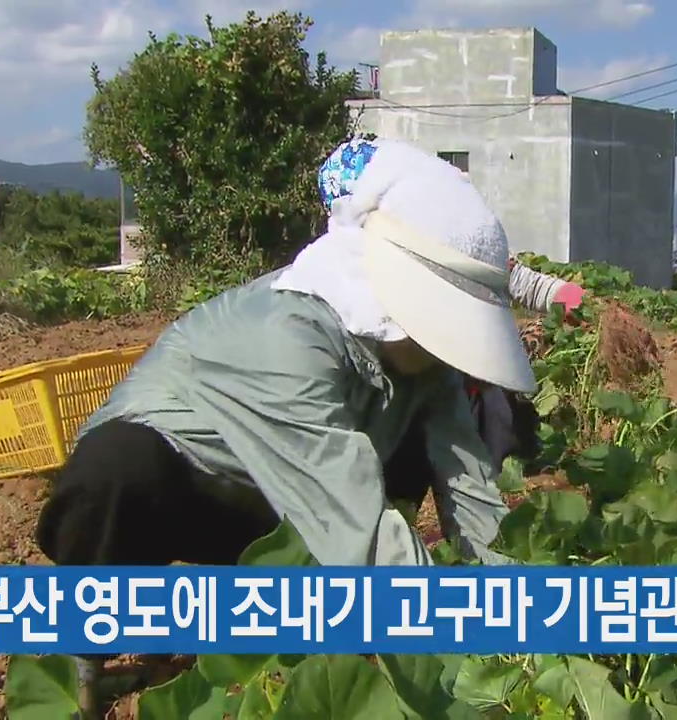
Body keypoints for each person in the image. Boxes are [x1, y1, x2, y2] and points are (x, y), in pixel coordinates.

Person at [34, 137, 542, 716]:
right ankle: (80, 667)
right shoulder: (291, 337)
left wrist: (519, 612)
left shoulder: (425, 361)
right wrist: (459, 638)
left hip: (289, 500)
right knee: (117, 471)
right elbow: (355, 522)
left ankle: (342, 627)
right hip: (190, 480)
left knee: (409, 454)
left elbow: (468, 486)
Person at [311, 136, 586, 513]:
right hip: (401, 391)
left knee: (491, 448)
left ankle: (502, 505)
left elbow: (506, 276)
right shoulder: (339, 269)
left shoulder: (436, 238)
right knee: (403, 467)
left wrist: (558, 293)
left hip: (473, 378)